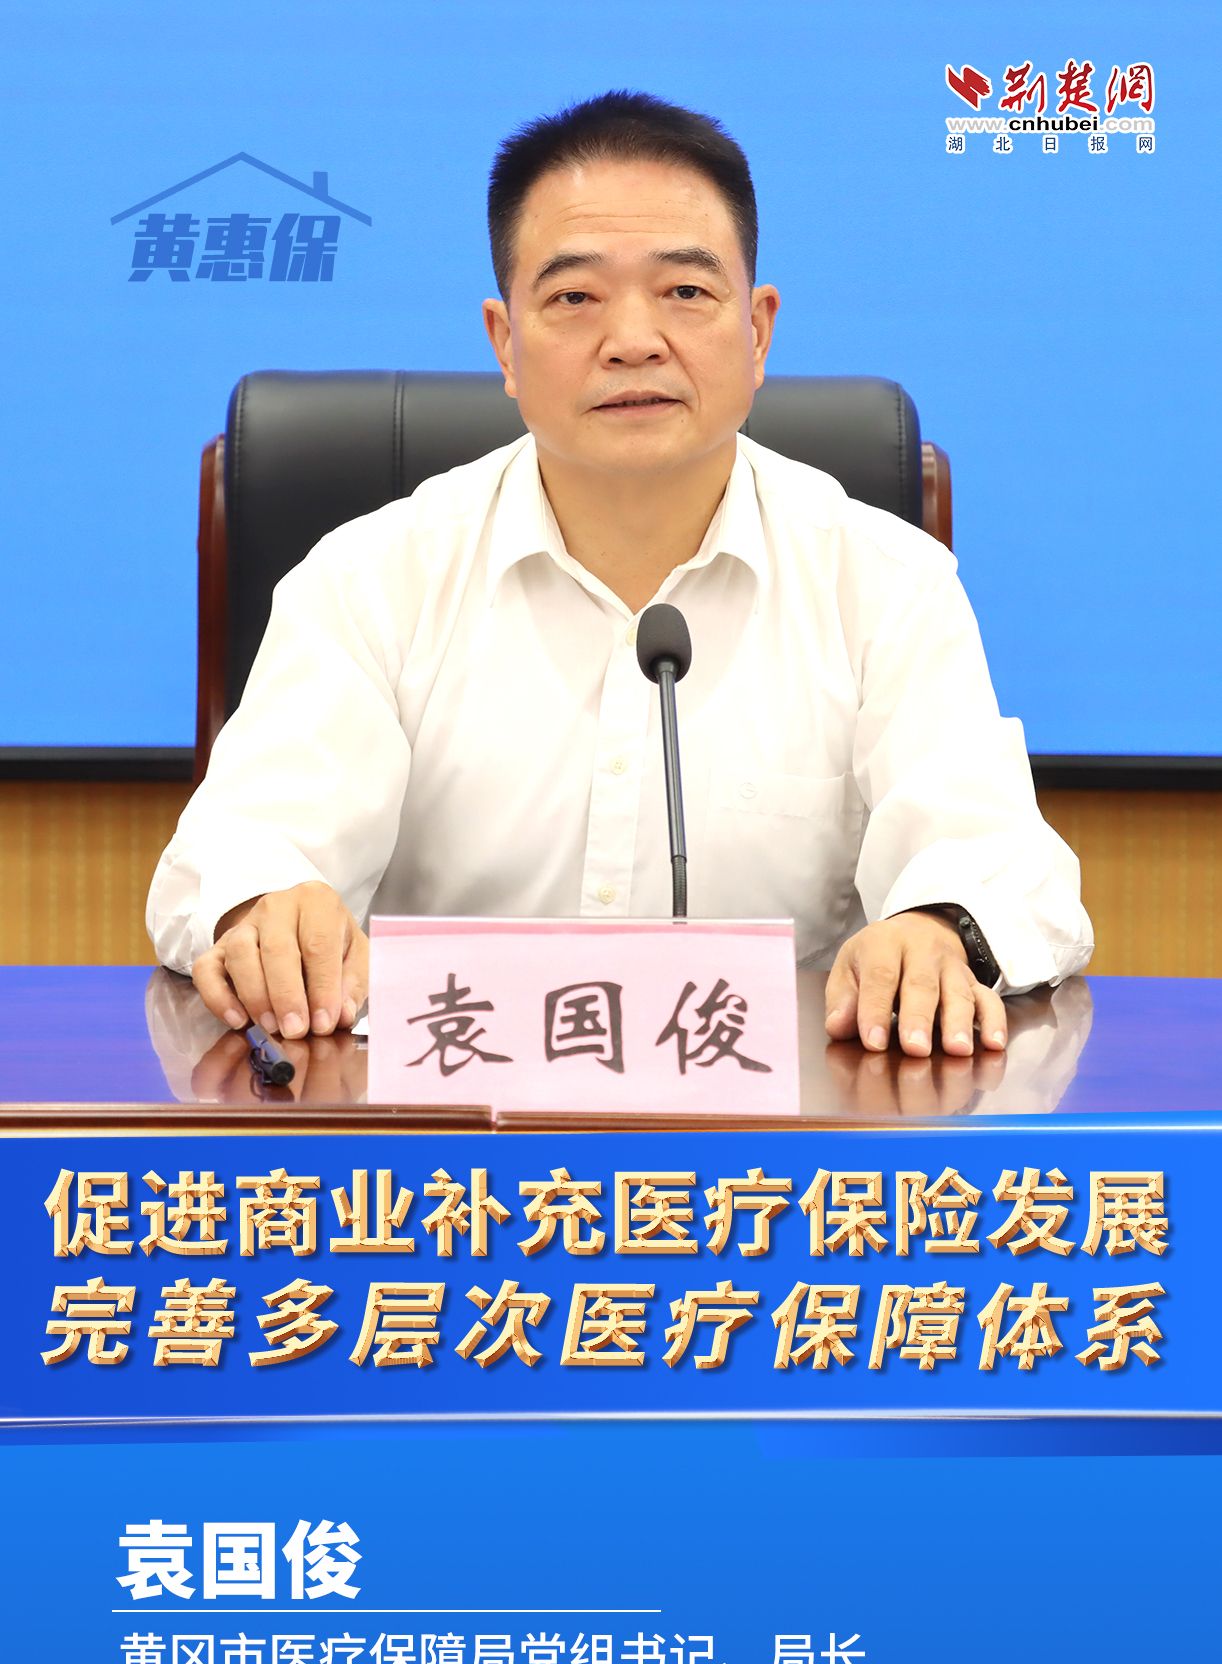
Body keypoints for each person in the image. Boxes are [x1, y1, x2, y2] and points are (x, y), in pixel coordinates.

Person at [147, 90, 1092, 1062]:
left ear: (757, 331)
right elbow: (234, 852)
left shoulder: (884, 583)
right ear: (504, 342)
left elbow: (997, 861)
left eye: (685, 292)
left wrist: (940, 929)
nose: (633, 339)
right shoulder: (372, 580)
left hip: (774, 1135)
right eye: (575, 298)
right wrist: (264, 909)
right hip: (446, 1127)